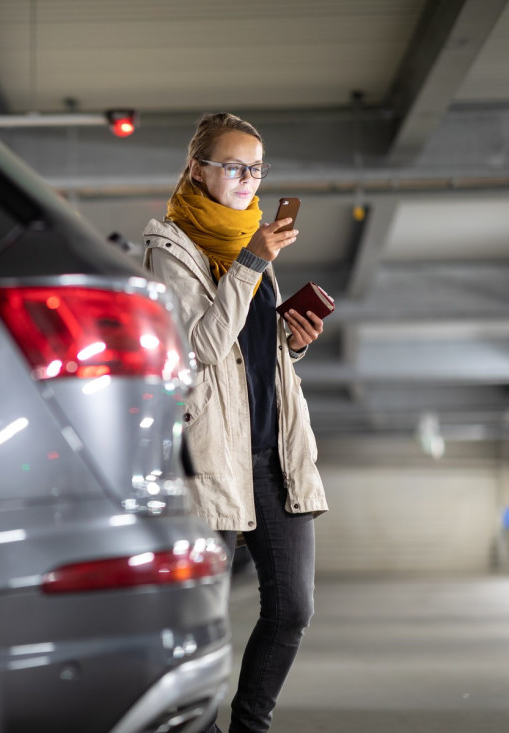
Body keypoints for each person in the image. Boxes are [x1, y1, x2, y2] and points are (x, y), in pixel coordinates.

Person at [142, 112, 329, 733]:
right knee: (201, 618)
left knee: (292, 608)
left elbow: (248, 349)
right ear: (198, 171)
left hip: (273, 452)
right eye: (234, 166)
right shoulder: (171, 248)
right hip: (211, 459)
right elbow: (196, 351)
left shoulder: (253, 242)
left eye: (257, 168)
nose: (248, 179)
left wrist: (292, 342)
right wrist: (250, 263)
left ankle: (249, 727)